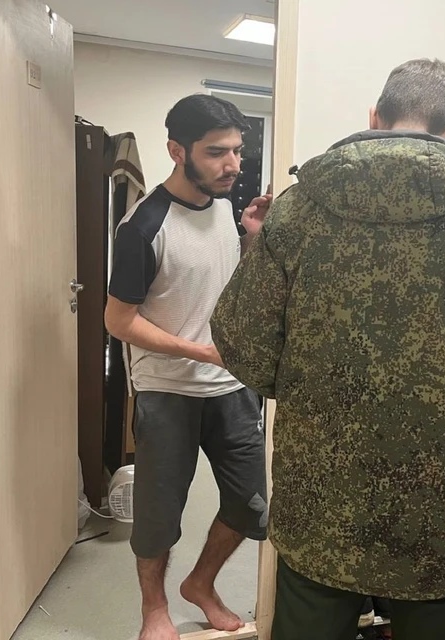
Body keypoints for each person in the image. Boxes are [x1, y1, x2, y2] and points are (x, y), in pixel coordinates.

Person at [210, 58, 445, 640]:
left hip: (321, 494)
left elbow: (243, 342)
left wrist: (301, 384)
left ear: (375, 117)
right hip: (444, 500)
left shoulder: (299, 210)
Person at [104, 94, 272, 640]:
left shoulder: (224, 205)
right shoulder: (142, 226)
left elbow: (212, 279)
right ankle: (153, 610)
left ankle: (200, 583)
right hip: (167, 390)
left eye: (237, 151)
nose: (232, 165)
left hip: (231, 389)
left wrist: (250, 238)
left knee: (251, 505)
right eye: (216, 152)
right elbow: (119, 321)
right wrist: (201, 350)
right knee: (158, 517)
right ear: (177, 151)